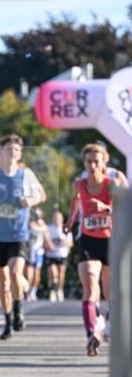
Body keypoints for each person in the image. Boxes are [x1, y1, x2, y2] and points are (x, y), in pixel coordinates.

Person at [0, 135, 44, 341]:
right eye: (9, 149)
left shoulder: (25, 174)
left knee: (15, 272)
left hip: (19, 234)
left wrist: (29, 200)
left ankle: (18, 309)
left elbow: (41, 194)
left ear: (21, 154)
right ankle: (7, 321)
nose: (12, 153)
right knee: (2, 279)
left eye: (16, 150)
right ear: (0, 152)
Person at [66, 143, 125, 355]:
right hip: (89, 240)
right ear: (84, 163)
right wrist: (71, 220)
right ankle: (91, 335)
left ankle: (107, 325)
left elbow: (124, 209)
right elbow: (75, 202)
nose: (92, 165)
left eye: (96, 161)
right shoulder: (78, 184)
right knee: (90, 285)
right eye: (89, 161)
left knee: (109, 291)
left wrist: (105, 208)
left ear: (104, 162)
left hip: (110, 241)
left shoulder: (112, 184)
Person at [43, 209, 73, 302]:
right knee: (53, 272)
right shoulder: (48, 228)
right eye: (55, 217)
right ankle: (52, 289)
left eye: (58, 218)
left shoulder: (65, 229)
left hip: (62, 254)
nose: (56, 219)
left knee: (61, 274)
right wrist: (48, 245)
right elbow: (44, 241)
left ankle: (59, 290)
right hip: (51, 255)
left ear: (62, 219)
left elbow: (71, 243)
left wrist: (66, 243)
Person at [24, 208, 47, 302]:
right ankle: (27, 290)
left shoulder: (42, 224)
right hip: (28, 250)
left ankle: (33, 291)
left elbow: (45, 231)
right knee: (27, 271)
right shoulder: (28, 223)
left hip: (38, 251)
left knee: (36, 272)